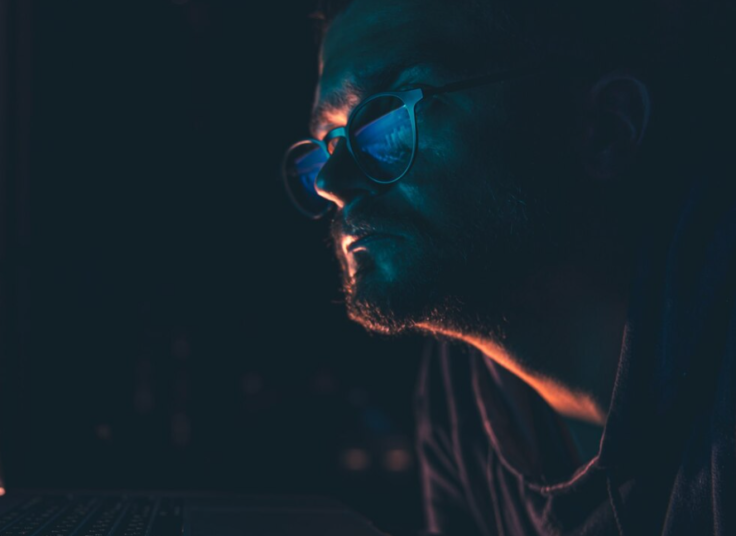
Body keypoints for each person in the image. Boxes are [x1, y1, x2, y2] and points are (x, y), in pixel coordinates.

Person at [281, 0, 736, 533]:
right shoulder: (462, 394)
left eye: (384, 123)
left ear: (605, 129)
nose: (332, 184)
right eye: (326, 145)